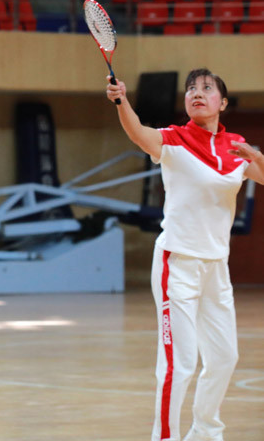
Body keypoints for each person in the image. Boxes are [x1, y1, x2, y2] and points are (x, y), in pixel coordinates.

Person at [106, 68, 264, 441]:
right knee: (180, 364)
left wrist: (255, 155)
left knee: (225, 358)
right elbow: (140, 135)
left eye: (207, 89)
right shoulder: (174, 140)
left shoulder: (236, 147)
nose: (197, 93)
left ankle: (206, 432)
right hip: (176, 265)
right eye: (191, 88)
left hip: (216, 269)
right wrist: (122, 101)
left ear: (222, 103)